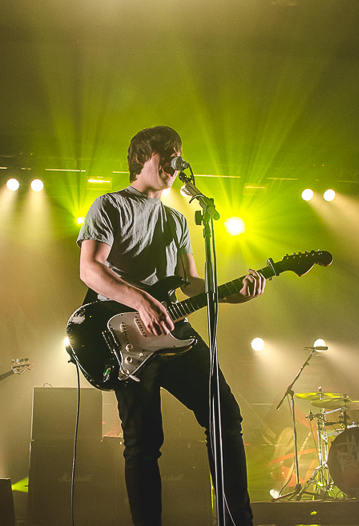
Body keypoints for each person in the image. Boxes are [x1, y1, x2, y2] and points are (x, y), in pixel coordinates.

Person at [77, 126, 266, 526]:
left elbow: (191, 283)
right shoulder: (110, 205)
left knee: (225, 416)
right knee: (143, 442)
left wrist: (236, 292)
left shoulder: (178, 220)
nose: (174, 160)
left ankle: (238, 522)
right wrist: (140, 298)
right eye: (164, 152)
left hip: (171, 329)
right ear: (140, 158)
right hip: (124, 336)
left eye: (178, 153)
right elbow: (90, 269)